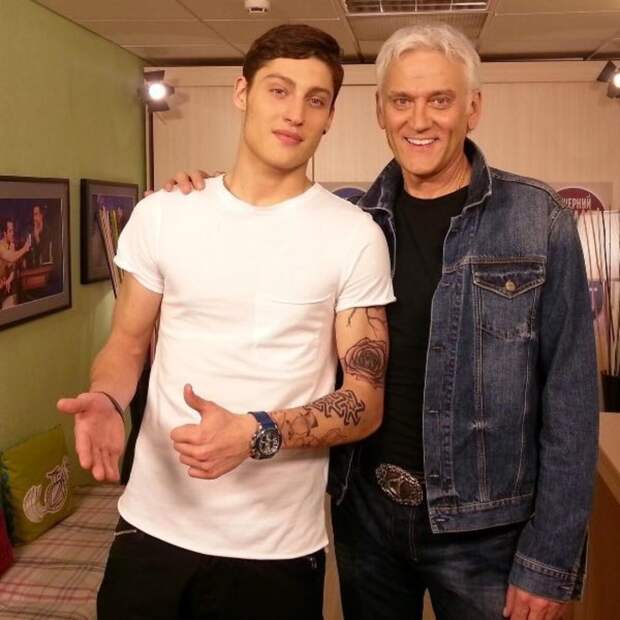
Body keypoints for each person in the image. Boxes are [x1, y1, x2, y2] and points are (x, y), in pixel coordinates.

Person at [167, 23, 599, 620]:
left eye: (440, 100)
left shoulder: (537, 219)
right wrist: (201, 193)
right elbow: (256, 233)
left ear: (473, 108)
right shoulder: (349, 224)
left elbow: (572, 403)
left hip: (487, 532)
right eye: (402, 100)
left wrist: (550, 558)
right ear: (380, 111)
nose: (419, 120)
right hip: (366, 515)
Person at [57, 24, 394, 620]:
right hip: (153, 527)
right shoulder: (164, 215)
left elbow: (364, 401)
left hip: (274, 548)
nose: (295, 113)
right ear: (242, 93)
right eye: (278, 90)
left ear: (330, 117)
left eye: (315, 99)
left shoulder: (354, 237)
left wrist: (255, 432)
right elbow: (126, 347)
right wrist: (108, 399)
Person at [0, 218, 31, 308]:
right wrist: (25, 248)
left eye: (13, 230)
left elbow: (13, 266)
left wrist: (9, 279)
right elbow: (11, 258)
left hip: (4, 289)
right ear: (4, 233)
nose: (13, 233)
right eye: (10, 231)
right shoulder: (0, 247)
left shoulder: (11, 245)